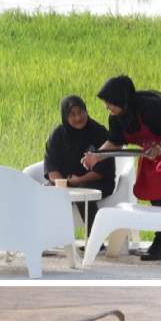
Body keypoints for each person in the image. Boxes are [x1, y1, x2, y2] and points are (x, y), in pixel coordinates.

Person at [81, 74, 161, 261]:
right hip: (154, 150)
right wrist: (97, 156)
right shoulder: (117, 118)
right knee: (152, 184)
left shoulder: (151, 108)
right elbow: (115, 142)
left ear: (122, 99)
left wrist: (159, 148)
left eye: (111, 103)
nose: (107, 107)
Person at [43, 94, 115, 231]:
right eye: (73, 114)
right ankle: (46, 239)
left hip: (97, 182)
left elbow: (104, 169)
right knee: (43, 193)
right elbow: (51, 164)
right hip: (66, 183)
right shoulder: (58, 135)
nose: (78, 118)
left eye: (80, 112)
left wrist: (78, 181)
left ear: (86, 111)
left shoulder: (99, 132)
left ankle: (94, 239)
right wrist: (61, 183)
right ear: (65, 117)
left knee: (83, 193)